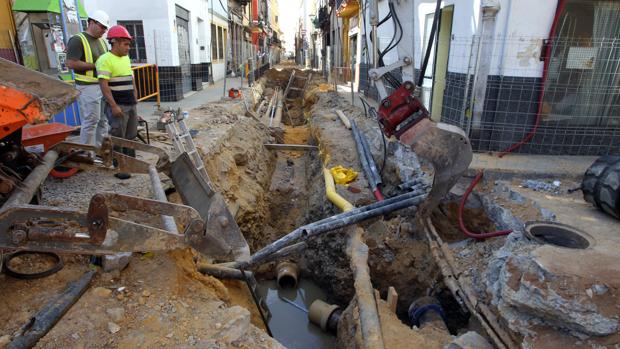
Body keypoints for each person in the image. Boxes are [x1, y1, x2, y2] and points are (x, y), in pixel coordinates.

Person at [96, 25, 138, 180]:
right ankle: (120, 167)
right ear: (115, 42)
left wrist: (135, 94)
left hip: (130, 103)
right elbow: (104, 85)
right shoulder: (105, 60)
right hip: (118, 105)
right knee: (118, 135)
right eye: (126, 44)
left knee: (131, 135)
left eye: (129, 44)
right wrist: (113, 105)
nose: (128, 47)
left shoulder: (125, 58)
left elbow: (130, 77)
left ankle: (131, 163)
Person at [66, 10, 110, 148]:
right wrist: (96, 66)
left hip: (101, 86)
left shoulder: (102, 42)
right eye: (102, 26)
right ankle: (86, 152)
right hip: (88, 87)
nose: (104, 30)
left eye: (105, 28)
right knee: (91, 121)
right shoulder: (78, 40)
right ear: (91, 22)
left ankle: (100, 151)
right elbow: (71, 63)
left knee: (103, 121)